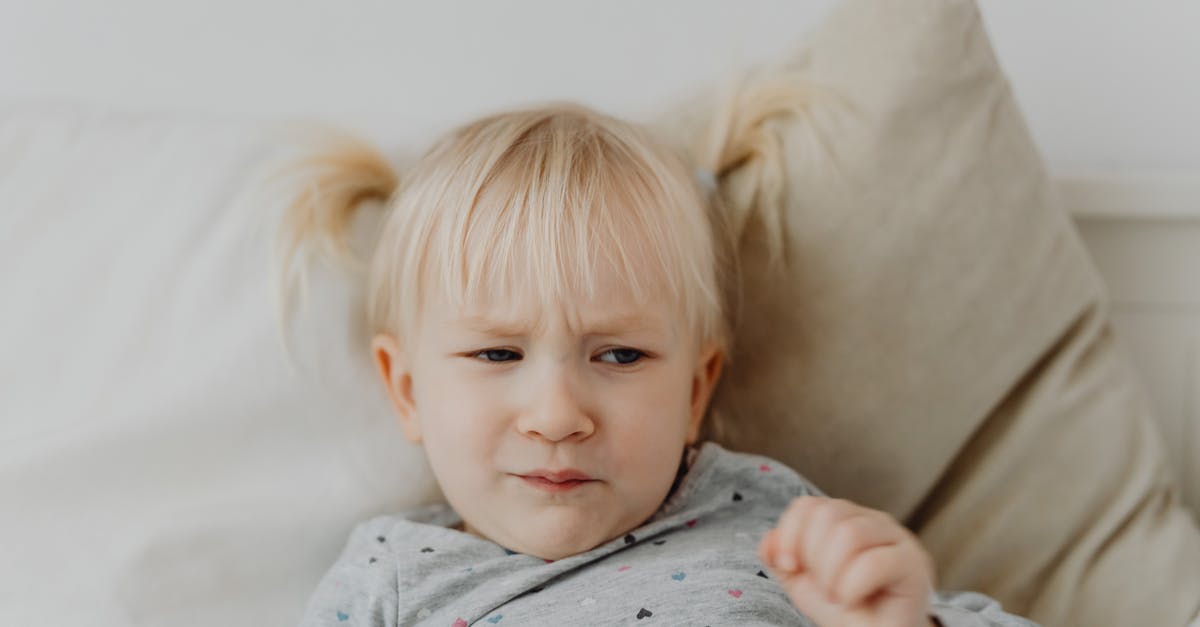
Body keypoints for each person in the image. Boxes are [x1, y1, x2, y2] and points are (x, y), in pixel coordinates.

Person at [273, 91, 1038, 626]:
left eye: (620, 354)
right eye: (498, 351)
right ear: (407, 391)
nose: (557, 415)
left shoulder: (772, 518)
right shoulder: (393, 574)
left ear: (696, 390)